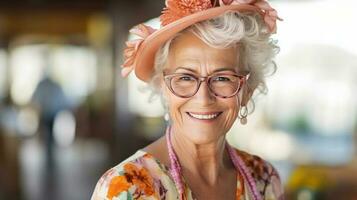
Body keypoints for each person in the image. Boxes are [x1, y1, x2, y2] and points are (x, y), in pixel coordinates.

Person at [92, 0, 284, 199]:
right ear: (163, 87)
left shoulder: (264, 179)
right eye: (185, 77)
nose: (203, 98)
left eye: (222, 78)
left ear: (248, 91)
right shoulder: (125, 187)